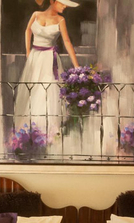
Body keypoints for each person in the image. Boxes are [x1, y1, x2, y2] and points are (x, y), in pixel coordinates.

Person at [13, 0, 80, 141]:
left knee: (48, 91)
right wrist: (28, 52)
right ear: (52, 1)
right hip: (35, 57)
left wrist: (77, 66)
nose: (65, 6)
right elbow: (28, 30)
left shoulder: (61, 20)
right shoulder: (36, 14)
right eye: (62, 3)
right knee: (33, 90)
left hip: (49, 59)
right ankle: (29, 131)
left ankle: (49, 132)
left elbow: (67, 42)